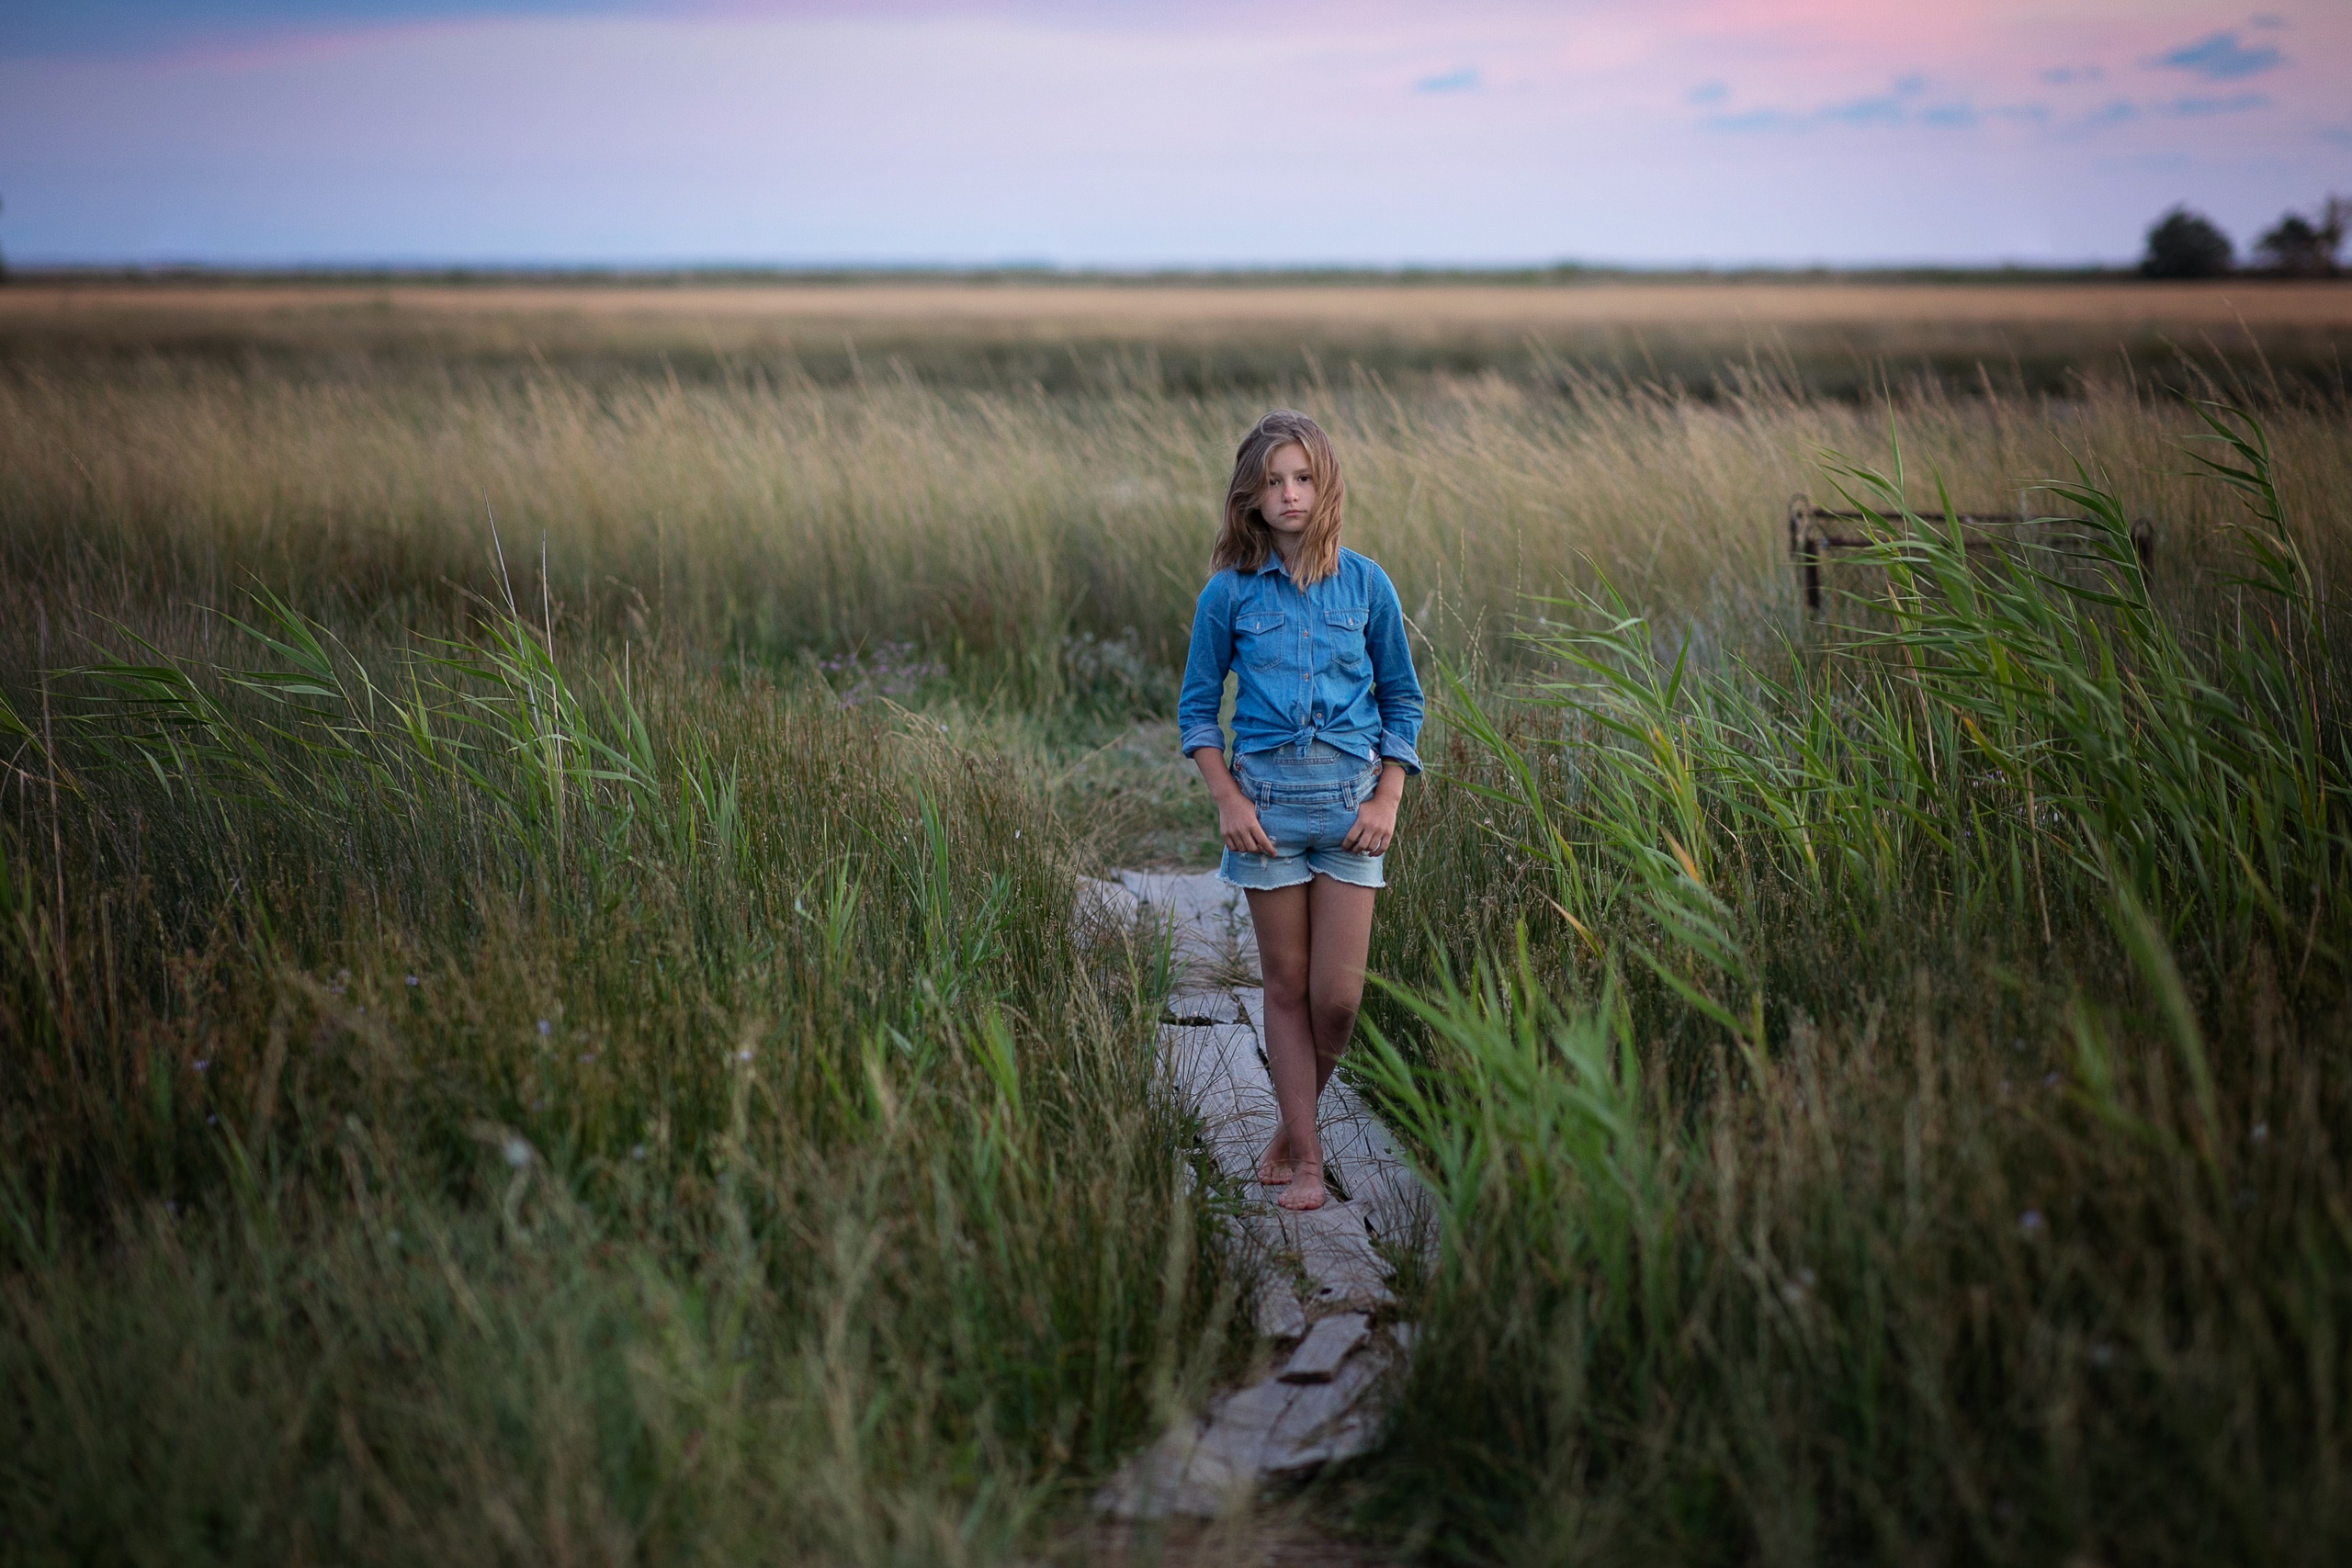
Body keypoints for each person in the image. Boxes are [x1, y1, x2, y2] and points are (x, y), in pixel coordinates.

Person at [1176, 409, 1423, 1213]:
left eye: (1304, 478)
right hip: (1268, 815)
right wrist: (1227, 801)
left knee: (1338, 998)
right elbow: (1195, 712)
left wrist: (1388, 795)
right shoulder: (1228, 595)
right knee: (1284, 986)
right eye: (1274, 480)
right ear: (1251, 495)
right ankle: (1310, 1161)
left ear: (1326, 486)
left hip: (1353, 811)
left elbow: (1403, 702)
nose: (1289, 494)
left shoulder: (1367, 584)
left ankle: (1291, 1123)